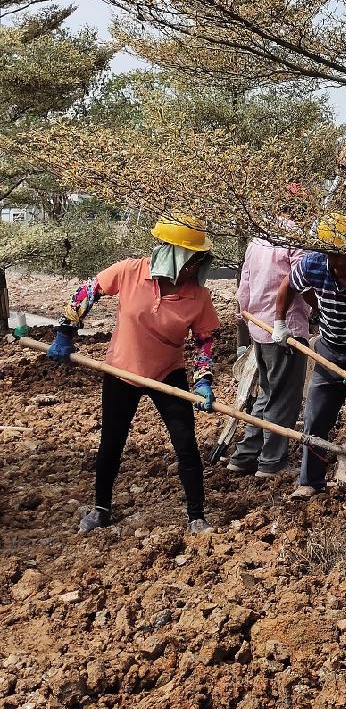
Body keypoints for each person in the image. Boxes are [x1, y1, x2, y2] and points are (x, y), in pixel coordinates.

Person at [47, 215, 221, 535]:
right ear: (170, 253)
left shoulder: (199, 297)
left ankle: (196, 516)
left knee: (186, 444)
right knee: (111, 443)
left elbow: (204, 342)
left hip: (167, 373)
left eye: (199, 260)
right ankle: (101, 509)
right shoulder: (130, 272)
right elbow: (90, 289)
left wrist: (204, 381)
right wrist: (66, 329)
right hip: (121, 370)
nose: (195, 267)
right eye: (190, 259)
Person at [272, 213, 346, 500]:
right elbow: (289, 286)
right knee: (315, 419)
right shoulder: (315, 263)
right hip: (328, 347)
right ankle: (311, 481)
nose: (334, 260)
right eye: (330, 253)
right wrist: (280, 323)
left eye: (340, 254)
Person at [228, 225, 310, 478]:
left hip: (259, 328)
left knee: (267, 393)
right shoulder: (295, 241)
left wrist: (248, 320)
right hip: (286, 330)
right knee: (283, 397)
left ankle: (245, 455)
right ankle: (272, 462)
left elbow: (244, 286)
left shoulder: (257, 240)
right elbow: (302, 284)